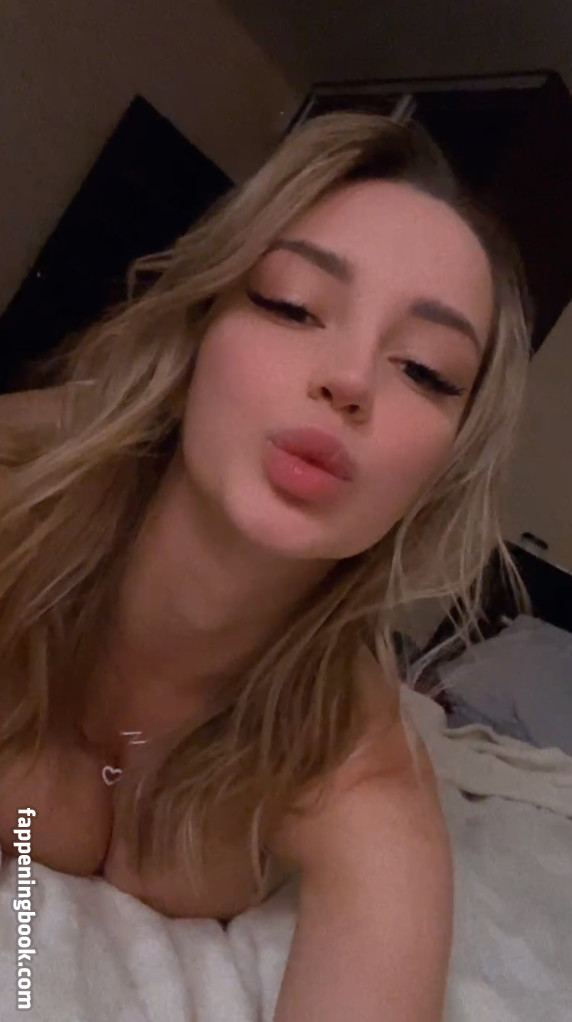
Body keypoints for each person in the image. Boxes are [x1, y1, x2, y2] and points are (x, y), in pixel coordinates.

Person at [0, 111, 531, 1020]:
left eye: (425, 370)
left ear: (444, 467)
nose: (350, 379)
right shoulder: (19, 503)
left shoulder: (358, 770)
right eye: (293, 305)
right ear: (200, 328)